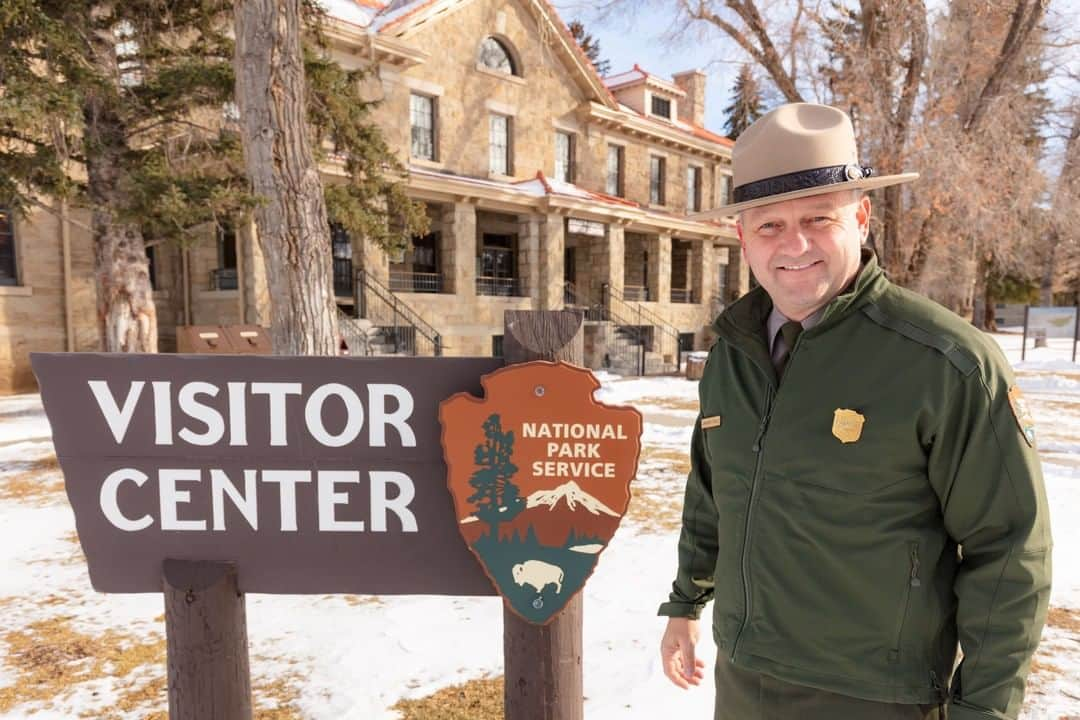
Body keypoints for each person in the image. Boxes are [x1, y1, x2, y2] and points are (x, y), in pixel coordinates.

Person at [659, 103, 1052, 720]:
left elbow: (1008, 550)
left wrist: (985, 710)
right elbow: (714, 494)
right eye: (769, 226)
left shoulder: (946, 364)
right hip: (745, 679)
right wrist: (686, 604)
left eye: (819, 218)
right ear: (742, 236)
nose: (794, 245)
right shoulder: (730, 356)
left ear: (862, 218)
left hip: (876, 695)